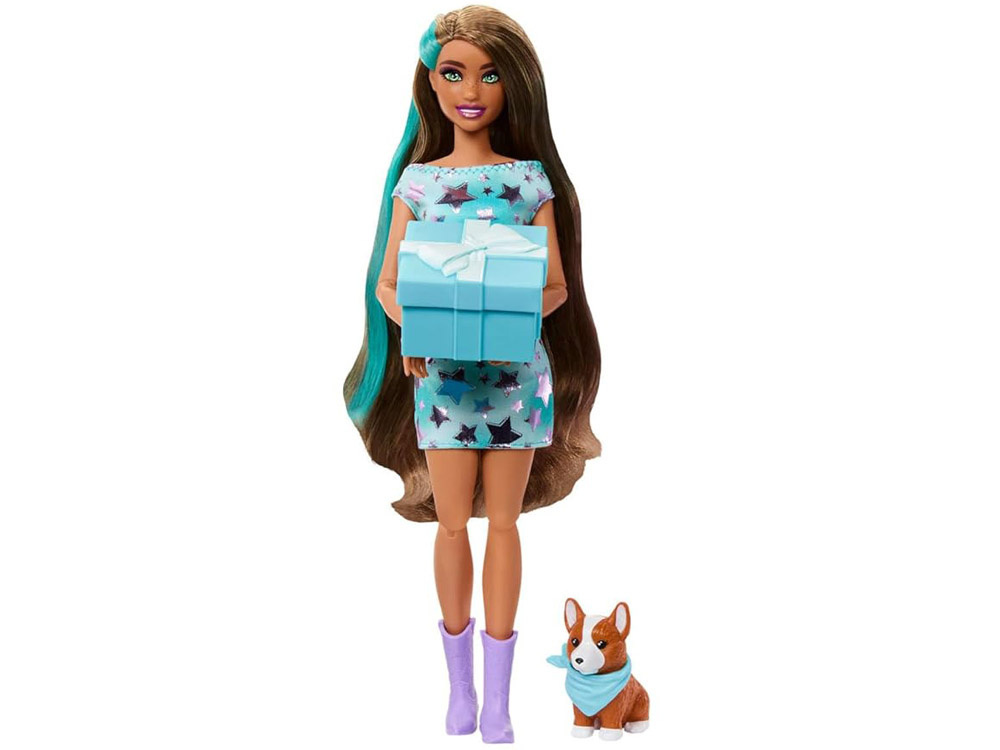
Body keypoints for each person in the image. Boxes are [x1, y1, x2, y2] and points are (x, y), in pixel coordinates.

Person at [343, 5, 601, 743]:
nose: (471, 91)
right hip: (444, 385)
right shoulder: (418, 184)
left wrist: (509, 314)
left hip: (516, 379)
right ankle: (460, 690)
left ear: (513, 85)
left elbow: (556, 285)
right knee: (452, 524)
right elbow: (388, 282)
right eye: (454, 73)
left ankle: (499, 701)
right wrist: (417, 327)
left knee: (505, 526)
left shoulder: (528, 180)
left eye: (489, 75)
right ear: (431, 81)